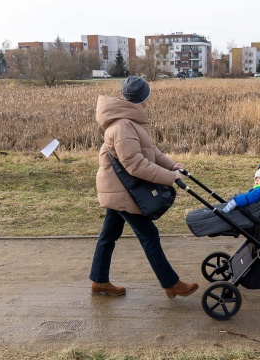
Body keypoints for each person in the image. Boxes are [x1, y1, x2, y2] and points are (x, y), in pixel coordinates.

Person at [90, 75, 198, 298]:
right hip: (123, 190)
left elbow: (152, 152)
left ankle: (99, 281)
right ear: (143, 97)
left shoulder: (130, 122)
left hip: (119, 188)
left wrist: (172, 165)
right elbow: (135, 165)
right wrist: (169, 177)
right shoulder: (123, 126)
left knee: (108, 235)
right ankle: (171, 284)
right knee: (149, 235)